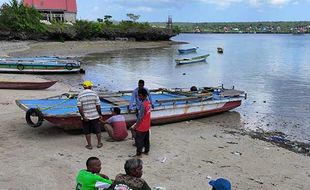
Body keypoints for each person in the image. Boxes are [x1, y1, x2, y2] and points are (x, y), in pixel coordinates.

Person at [77, 81, 103, 149]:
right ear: (90, 86)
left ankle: (89, 145)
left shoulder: (80, 95)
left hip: (86, 117)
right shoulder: (94, 94)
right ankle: (99, 143)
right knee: (98, 130)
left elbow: (80, 108)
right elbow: (98, 106)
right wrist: (100, 114)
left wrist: (83, 116)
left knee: (87, 131)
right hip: (95, 115)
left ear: (84, 87)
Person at [132, 88, 151, 158]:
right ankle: (146, 151)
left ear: (144, 96)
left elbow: (140, 117)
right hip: (147, 125)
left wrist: (136, 126)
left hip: (142, 126)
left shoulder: (143, 105)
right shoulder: (148, 103)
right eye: (138, 96)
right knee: (146, 139)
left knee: (139, 140)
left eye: (140, 96)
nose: (138, 97)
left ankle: (139, 154)